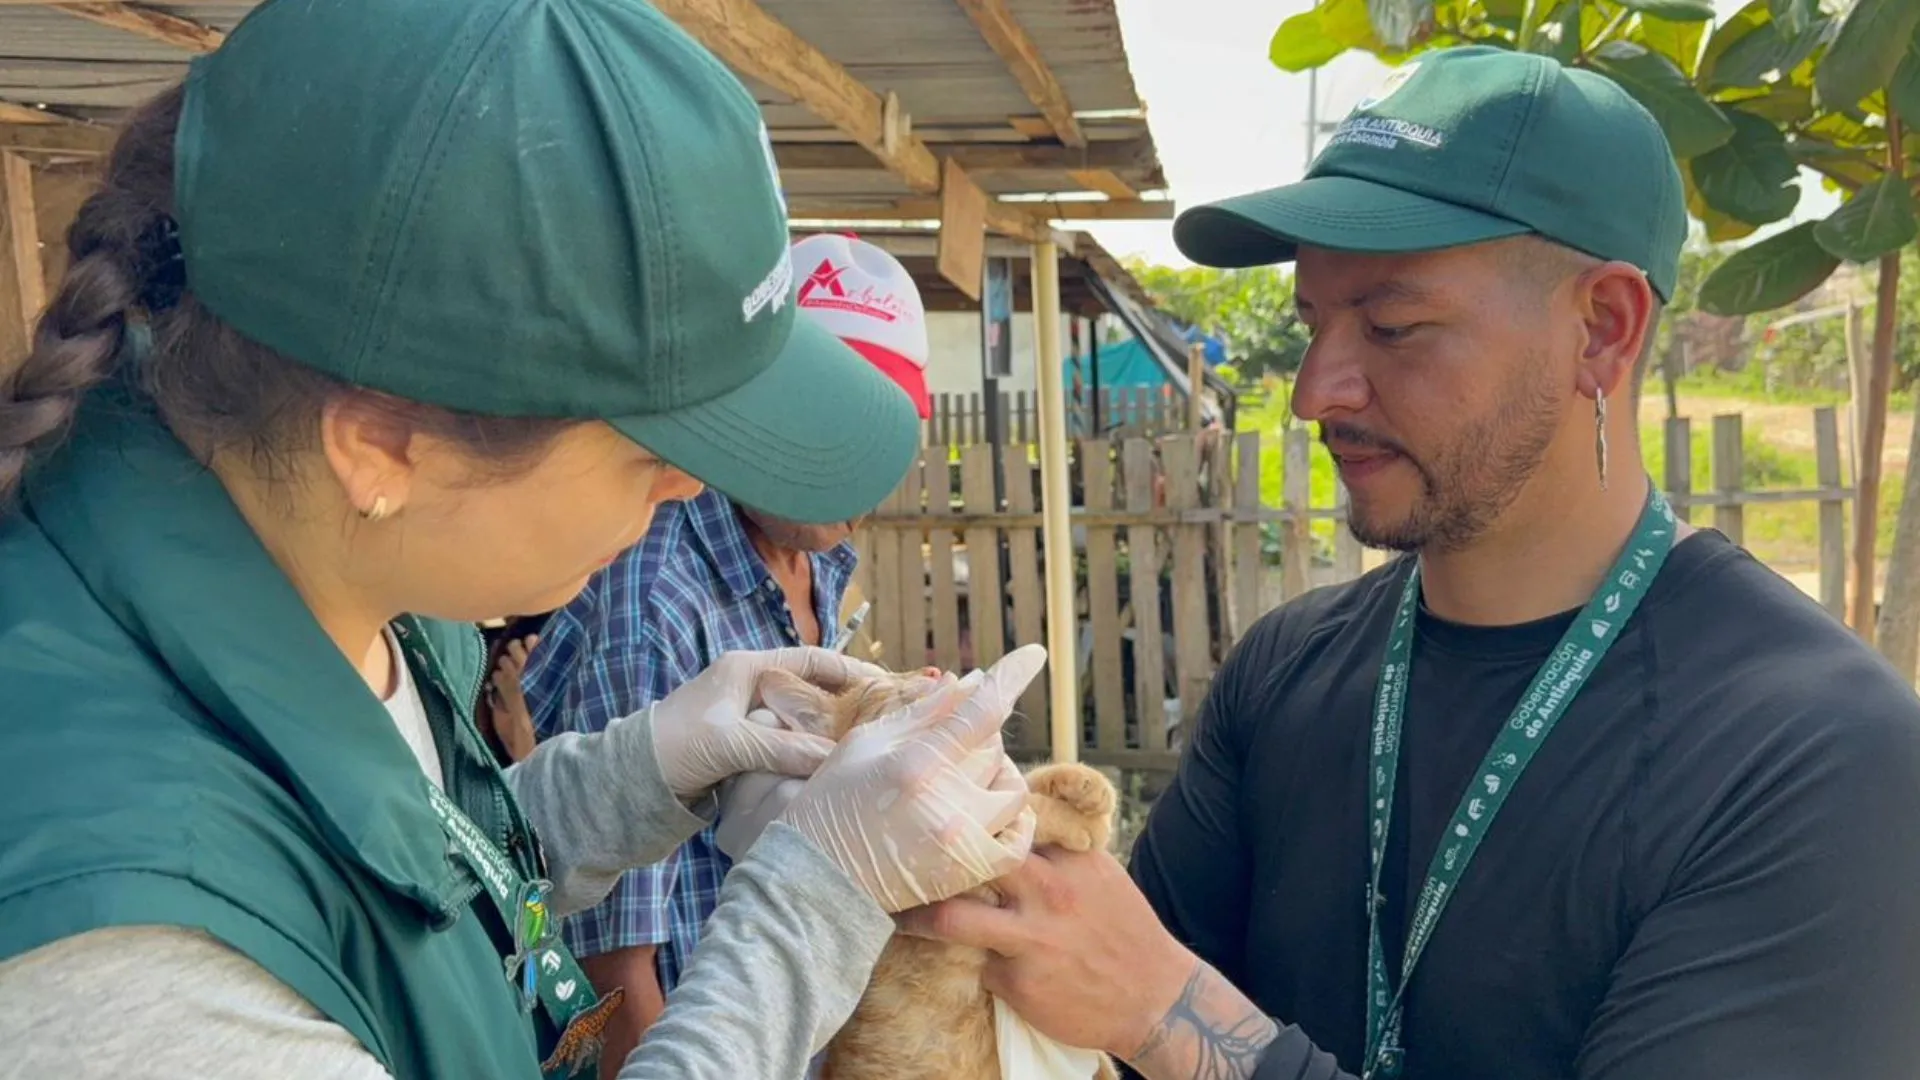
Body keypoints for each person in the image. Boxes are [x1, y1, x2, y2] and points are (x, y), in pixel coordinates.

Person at [0, 3, 1042, 1079]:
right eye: (651, 450)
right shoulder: (133, 963)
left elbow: (404, 895)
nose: (695, 484)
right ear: (384, 449)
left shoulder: (351, 587)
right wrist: (825, 892)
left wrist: (645, 766)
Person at [891, 45, 1920, 1079]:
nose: (1315, 392)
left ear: (1602, 330)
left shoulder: (1815, 752)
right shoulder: (1284, 670)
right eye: (1313, 324)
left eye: (1394, 326)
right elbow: (1088, 1032)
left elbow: (1146, 1003)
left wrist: (1173, 1017)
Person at [518, 231, 935, 1076]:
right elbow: (614, 971)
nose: (860, 479)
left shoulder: (818, 561)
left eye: (884, 438)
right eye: (829, 432)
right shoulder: (654, 600)